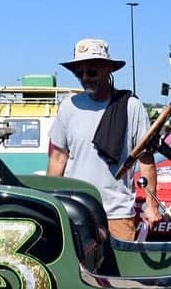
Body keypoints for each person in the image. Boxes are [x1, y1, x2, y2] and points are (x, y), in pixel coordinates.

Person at [47, 38, 161, 240]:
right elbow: (57, 158)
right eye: (78, 73)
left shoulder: (131, 106)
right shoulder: (68, 107)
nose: (84, 78)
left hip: (117, 213)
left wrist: (152, 206)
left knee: (119, 271)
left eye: (91, 72)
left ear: (108, 69)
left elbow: (146, 161)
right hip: (76, 210)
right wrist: (50, 202)